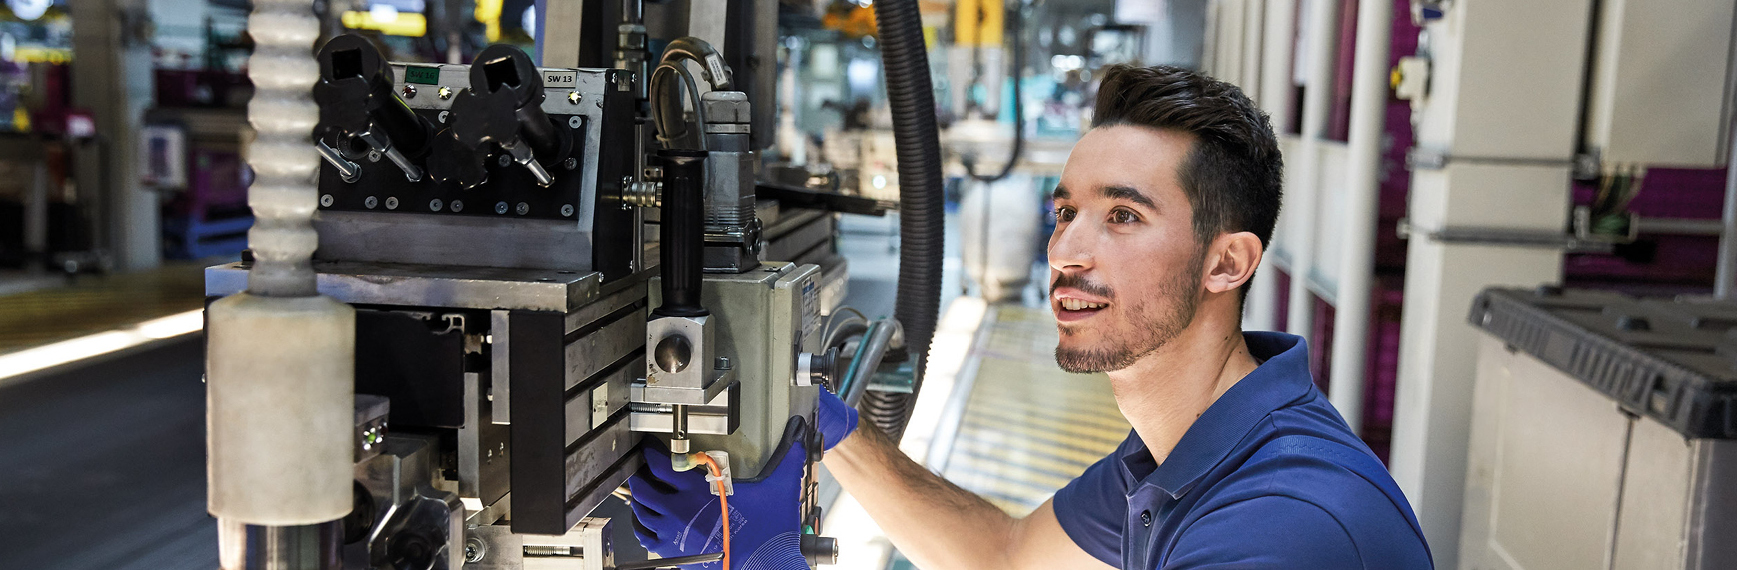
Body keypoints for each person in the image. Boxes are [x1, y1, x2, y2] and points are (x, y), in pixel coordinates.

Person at [627, 64, 1434, 569]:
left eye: (1122, 217)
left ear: (1228, 262)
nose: (1065, 253)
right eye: (1064, 213)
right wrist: (835, 436)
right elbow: (1008, 556)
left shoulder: (1280, 528)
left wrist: (765, 562)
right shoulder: (1183, 454)